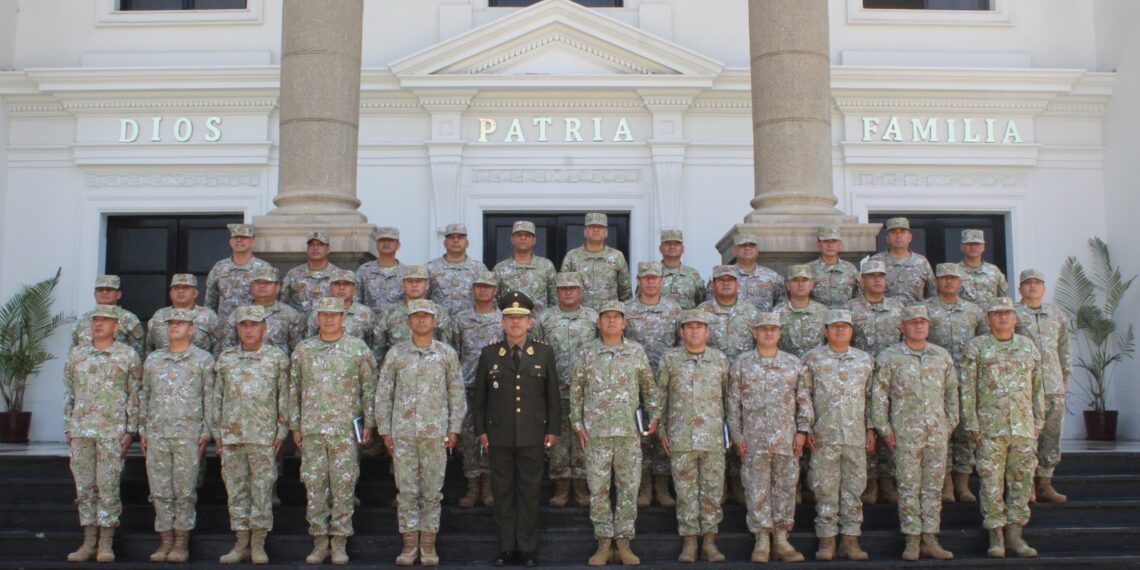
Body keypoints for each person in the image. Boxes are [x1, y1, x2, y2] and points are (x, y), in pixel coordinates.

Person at [473, 292, 561, 567]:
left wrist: (553, 429)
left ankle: (527, 548)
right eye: (510, 318)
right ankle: (506, 547)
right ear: (502, 322)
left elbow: (552, 395)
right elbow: (480, 398)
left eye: (521, 318)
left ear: (530, 322)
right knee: (502, 492)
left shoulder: (543, 353)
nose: (515, 323)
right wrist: (481, 430)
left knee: (530, 492)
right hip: (498, 434)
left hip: (533, 434)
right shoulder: (489, 354)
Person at [376, 299, 465, 566]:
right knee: (406, 492)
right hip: (403, 434)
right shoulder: (396, 354)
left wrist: (454, 428)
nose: (422, 320)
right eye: (416, 316)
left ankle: (428, 545)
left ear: (435, 321)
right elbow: (384, 394)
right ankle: (409, 545)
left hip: (435, 434)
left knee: (432, 492)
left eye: (426, 316)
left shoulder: (446, 354)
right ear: (408, 322)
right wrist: (385, 430)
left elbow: (456, 393)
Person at [571, 301, 660, 566]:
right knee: (598, 489)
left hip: (628, 433)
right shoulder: (587, 352)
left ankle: (623, 542)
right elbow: (576, 391)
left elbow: (649, 387)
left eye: (616, 317)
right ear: (598, 322)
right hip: (596, 434)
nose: (611, 321)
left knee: (628, 489)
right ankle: (603, 542)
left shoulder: (635, 351)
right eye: (606, 317)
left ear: (624, 323)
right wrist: (578, 424)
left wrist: (654, 415)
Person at [289, 297, 377, 565]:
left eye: (334, 314)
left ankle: (339, 541)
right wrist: (295, 425)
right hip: (312, 429)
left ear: (343, 318)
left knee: (343, 486)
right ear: (317, 319)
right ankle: (319, 540)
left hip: (345, 431)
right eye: (324, 314)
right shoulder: (304, 349)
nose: (328, 319)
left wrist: (369, 424)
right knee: (314, 485)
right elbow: (294, 390)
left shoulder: (357, 349)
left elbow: (369, 388)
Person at [871, 305, 957, 561]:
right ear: (902, 326)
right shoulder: (890, 357)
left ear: (929, 326)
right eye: (913, 322)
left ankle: (930, 538)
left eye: (923, 322)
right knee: (908, 487)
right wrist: (884, 428)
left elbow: (952, 393)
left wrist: (949, 424)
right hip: (905, 434)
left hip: (936, 433)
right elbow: (879, 396)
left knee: (933, 488)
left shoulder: (941, 356)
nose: (918, 326)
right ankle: (911, 539)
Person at [961, 297, 1045, 558]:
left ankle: (1016, 535)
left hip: (1023, 427)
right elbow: (967, 388)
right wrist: (971, 422)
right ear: (989, 319)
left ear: (1015, 318)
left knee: (1021, 481)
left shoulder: (1027, 346)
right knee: (991, 483)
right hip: (990, 428)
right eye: (997, 314)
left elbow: (1037, 386)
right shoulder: (977, 347)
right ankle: (996, 535)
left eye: (1007, 313)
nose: (1003, 317)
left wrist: (1039, 420)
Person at [727, 312, 811, 563]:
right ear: (754, 332)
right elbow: (733, 404)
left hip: (786, 439)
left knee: (785, 488)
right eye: (763, 329)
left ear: (780, 333)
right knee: (756, 488)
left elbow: (803, 400)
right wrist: (737, 436)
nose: (768, 333)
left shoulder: (793, 363)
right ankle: (762, 540)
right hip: (753, 441)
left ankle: (782, 539)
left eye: (773, 329)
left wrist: (803, 431)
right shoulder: (742, 364)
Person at [210, 305, 290, 564]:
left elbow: (284, 397)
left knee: (262, 490)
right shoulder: (226, 359)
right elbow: (217, 397)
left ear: (264, 327)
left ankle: (258, 544)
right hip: (232, 435)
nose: (248, 330)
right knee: (236, 491)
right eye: (243, 325)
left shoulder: (276, 358)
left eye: (254, 324)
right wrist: (217, 432)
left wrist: (282, 431)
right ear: (237, 328)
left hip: (263, 435)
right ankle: (240, 542)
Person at [63, 304, 142, 563]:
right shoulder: (77, 355)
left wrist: (131, 430)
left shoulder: (127, 356)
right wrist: (68, 426)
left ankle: (106, 542)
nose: (98, 324)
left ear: (116, 326)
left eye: (105, 321)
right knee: (85, 487)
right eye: (95, 320)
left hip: (112, 431)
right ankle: (88, 541)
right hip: (82, 430)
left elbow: (135, 395)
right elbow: (69, 392)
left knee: (108, 486)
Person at [139, 308, 215, 563]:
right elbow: (145, 395)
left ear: (191, 329)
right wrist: (143, 428)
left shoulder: (203, 360)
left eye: (181, 323)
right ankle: (165, 539)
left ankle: (181, 541)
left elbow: (209, 397)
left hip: (188, 434)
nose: (174, 327)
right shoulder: (154, 359)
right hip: (158, 433)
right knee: (159, 490)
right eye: (171, 323)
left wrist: (206, 430)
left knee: (184, 490)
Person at [802, 309, 875, 561]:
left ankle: (851, 540)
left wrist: (870, 428)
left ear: (852, 331)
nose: (840, 329)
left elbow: (870, 397)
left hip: (855, 435)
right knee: (825, 488)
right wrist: (806, 427)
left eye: (845, 326)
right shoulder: (812, 358)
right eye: (835, 326)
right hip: (824, 435)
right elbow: (804, 395)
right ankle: (827, 540)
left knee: (854, 488)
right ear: (826, 331)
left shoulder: (864, 360)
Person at [658, 309, 730, 563]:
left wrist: (730, 432)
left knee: (712, 492)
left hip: (712, 438)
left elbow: (728, 397)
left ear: (707, 331)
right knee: (686, 492)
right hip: (681, 437)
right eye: (689, 327)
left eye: (699, 326)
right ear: (681, 332)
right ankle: (689, 542)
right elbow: (660, 397)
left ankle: (709, 542)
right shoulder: (670, 360)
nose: (695, 330)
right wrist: (662, 430)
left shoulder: (719, 359)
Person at [922, 263, 987, 503]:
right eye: (944, 278)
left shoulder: (974, 311)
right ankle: (946, 482)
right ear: (936, 282)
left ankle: (963, 483)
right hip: (935, 381)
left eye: (953, 278)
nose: (949, 282)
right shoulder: (925, 310)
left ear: (961, 282)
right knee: (941, 433)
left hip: (967, 380)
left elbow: (983, 343)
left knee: (966, 433)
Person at [699, 264, 761, 505]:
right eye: (720, 280)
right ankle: (720, 482)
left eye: (730, 280)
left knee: (741, 427)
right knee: (713, 429)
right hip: (709, 381)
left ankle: (737, 480)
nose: (725, 284)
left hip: (743, 381)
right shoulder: (702, 312)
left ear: (737, 284)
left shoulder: (750, 312)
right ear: (712, 284)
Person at [537, 272, 599, 508]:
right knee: (559, 438)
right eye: (563, 288)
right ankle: (561, 486)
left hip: (587, 390)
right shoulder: (545, 318)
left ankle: (582, 487)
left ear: (581, 291)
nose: (568, 292)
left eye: (573, 288)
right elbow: (536, 351)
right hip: (556, 388)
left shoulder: (593, 317)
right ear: (556, 292)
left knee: (585, 437)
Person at [624, 261, 682, 508]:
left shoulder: (674, 310)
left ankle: (662, 485)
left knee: (664, 429)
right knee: (640, 433)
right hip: (635, 380)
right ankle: (645, 486)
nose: (650, 281)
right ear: (638, 280)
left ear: (661, 280)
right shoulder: (627, 310)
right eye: (645, 277)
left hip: (665, 379)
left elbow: (682, 343)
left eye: (654, 277)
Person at [846, 259, 904, 505]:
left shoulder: (898, 309)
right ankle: (869, 482)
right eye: (871, 276)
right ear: (862, 281)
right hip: (861, 376)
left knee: (891, 424)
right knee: (864, 426)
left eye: (881, 276)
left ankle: (888, 480)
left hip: (893, 375)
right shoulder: (850, 309)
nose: (877, 280)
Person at [1014, 269, 1072, 503]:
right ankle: (1027, 483)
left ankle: (1045, 482)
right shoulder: (1013, 314)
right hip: (1025, 386)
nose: (1033, 286)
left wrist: (1065, 380)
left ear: (1044, 288)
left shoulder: (1056, 314)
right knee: (1027, 436)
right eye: (1028, 283)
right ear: (1020, 289)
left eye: (1037, 283)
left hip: (1053, 384)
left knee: (1052, 434)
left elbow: (1064, 349)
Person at [452, 272, 503, 509]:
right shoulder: (461, 319)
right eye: (479, 286)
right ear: (472, 290)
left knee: (493, 437)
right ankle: (472, 487)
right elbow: (454, 351)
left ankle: (489, 487)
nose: (483, 290)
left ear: (495, 291)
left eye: (488, 287)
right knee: (469, 439)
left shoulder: (503, 319)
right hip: (466, 385)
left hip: (495, 389)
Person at [375, 266, 455, 363]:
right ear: (403, 285)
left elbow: (447, 349)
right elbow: (378, 349)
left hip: (432, 368)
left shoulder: (439, 313)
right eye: (410, 281)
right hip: (398, 367)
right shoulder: (390, 313)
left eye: (419, 281)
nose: (414, 285)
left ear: (427, 285)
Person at [222, 266, 305, 355]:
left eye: (267, 283)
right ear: (252, 286)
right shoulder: (238, 313)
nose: (262, 286)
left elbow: (297, 349)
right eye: (258, 283)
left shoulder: (290, 314)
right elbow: (227, 347)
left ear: (277, 287)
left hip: (277, 362)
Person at [561, 212, 633, 309]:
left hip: (609, 314)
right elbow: (563, 288)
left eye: (600, 227)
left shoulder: (617, 256)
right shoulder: (572, 256)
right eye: (592, 227)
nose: (596, 230)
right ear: (585, 231)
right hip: (580, 315)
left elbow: (625, 292)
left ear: (606, 232)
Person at [205, 223, 272, 322]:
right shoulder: (219, 268)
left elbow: (271, 301)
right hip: (225, 326)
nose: (239, 240)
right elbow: (210, 302)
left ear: (253, 242)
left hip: (253, 326)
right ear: (230, 242)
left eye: (244, 237)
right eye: (236, 237)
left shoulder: (263, 268)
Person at [303, 270, 379, 353]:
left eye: (346, 284)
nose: (341, 288)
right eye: (337, 284)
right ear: (330, 288)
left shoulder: (366, 314)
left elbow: (374, 344)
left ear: (354, 289)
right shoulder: (318, 313)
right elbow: (309, 342)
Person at [146, 274, 223, 356]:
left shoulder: (208, 316)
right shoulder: (159, 315)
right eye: (176, 288)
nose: (180, 291)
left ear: (195, 293)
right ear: (170, 293)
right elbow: (149, 348)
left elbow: (219, 348)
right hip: (163, 362)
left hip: (197, 363)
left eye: (186, 288)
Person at [705, 233, 785, 312]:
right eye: (742, 245)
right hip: (733, 320)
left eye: (751, 245)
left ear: (757, 250)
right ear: (734, 250)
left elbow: (782, 305)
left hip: (763, 320)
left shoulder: (773, 277)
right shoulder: (720, 277)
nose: (747, 248)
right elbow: (710, 305)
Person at [867, 217, 936, 305]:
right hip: (884, 311)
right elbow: (864, 290)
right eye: (893, 232)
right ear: (887, 238)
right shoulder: (876, 261)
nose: (898, 235)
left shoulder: (922, 262)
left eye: (903, 232)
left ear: (910, 237)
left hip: (915, 312)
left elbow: (933, 293)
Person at [71, 275, 145, 356]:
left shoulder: (129, 319)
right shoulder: (83, 319)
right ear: (95, 294)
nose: (104, 292)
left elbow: (138, 352)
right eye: (100, 290)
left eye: (109, 289)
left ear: (118, 294)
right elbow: (74, 348)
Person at [493, 221, 557, 312]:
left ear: (534, 240)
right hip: (511, 320)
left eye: (527, 235)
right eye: (519, 235)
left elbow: (555, 301)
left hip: (540, 321)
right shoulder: (500, 269)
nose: (523, 238)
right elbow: (494, 304)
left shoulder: (546, 266)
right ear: (512, 239)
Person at [427, 223, 489, 317]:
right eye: (451, 237)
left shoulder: (479, 268)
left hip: (469, 323)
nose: (456, 240)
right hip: (438, 322)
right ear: (445, 243)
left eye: (460, 237)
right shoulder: (431, 268)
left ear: (467, 243)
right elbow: (423, 298)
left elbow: (487, 299)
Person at [281, 231, 342, 318]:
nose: (315, 248)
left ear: (328, 249)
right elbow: (282, 302)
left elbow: (346, 303)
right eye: (311, 245)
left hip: (328, 323)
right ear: (307, 249)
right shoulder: (293, 274)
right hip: (298, 325)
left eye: (320, 245)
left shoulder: (339, 275)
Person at [772, 264, 828, 358]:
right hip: (787, 364)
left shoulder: (823, 312)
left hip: (817, 363)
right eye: (795, 280)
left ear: (812, 284)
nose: (800, 284)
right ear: (788, 285)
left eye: (805, 280)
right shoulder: (776, 312)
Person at [356, 226, 407, 315]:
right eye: (382, 240)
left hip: (398, 321)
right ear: (376, 244)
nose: (386, 243)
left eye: (390, 240)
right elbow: (356, 301)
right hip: (370, 321)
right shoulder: (364, 270)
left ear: (398, 245)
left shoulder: (406, 273)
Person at [808, 226, 860, 309]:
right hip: (818, 315)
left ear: (839, 244)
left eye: (834, 241)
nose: (830, 245)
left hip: (845, 315)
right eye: (826, 241)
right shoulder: (808, 269)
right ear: (818, 244)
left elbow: (859, 296)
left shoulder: (850, 269)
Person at [958, 229, 1009, 307]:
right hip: (963, 314)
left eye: (977, 244)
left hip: (990, 314)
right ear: (962, 247)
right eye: (969, 244)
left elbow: (1003, 299)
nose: (973, 247)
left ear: (983, 247)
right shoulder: (954, 271)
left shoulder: (994, 271)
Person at [658, 229, 706, 310]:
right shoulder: (652, 274)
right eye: (667, 243)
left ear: (682, 249)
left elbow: (701, 302)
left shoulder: (693, 274)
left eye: (676, 243)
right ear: (660, 248)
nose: (672, 246)